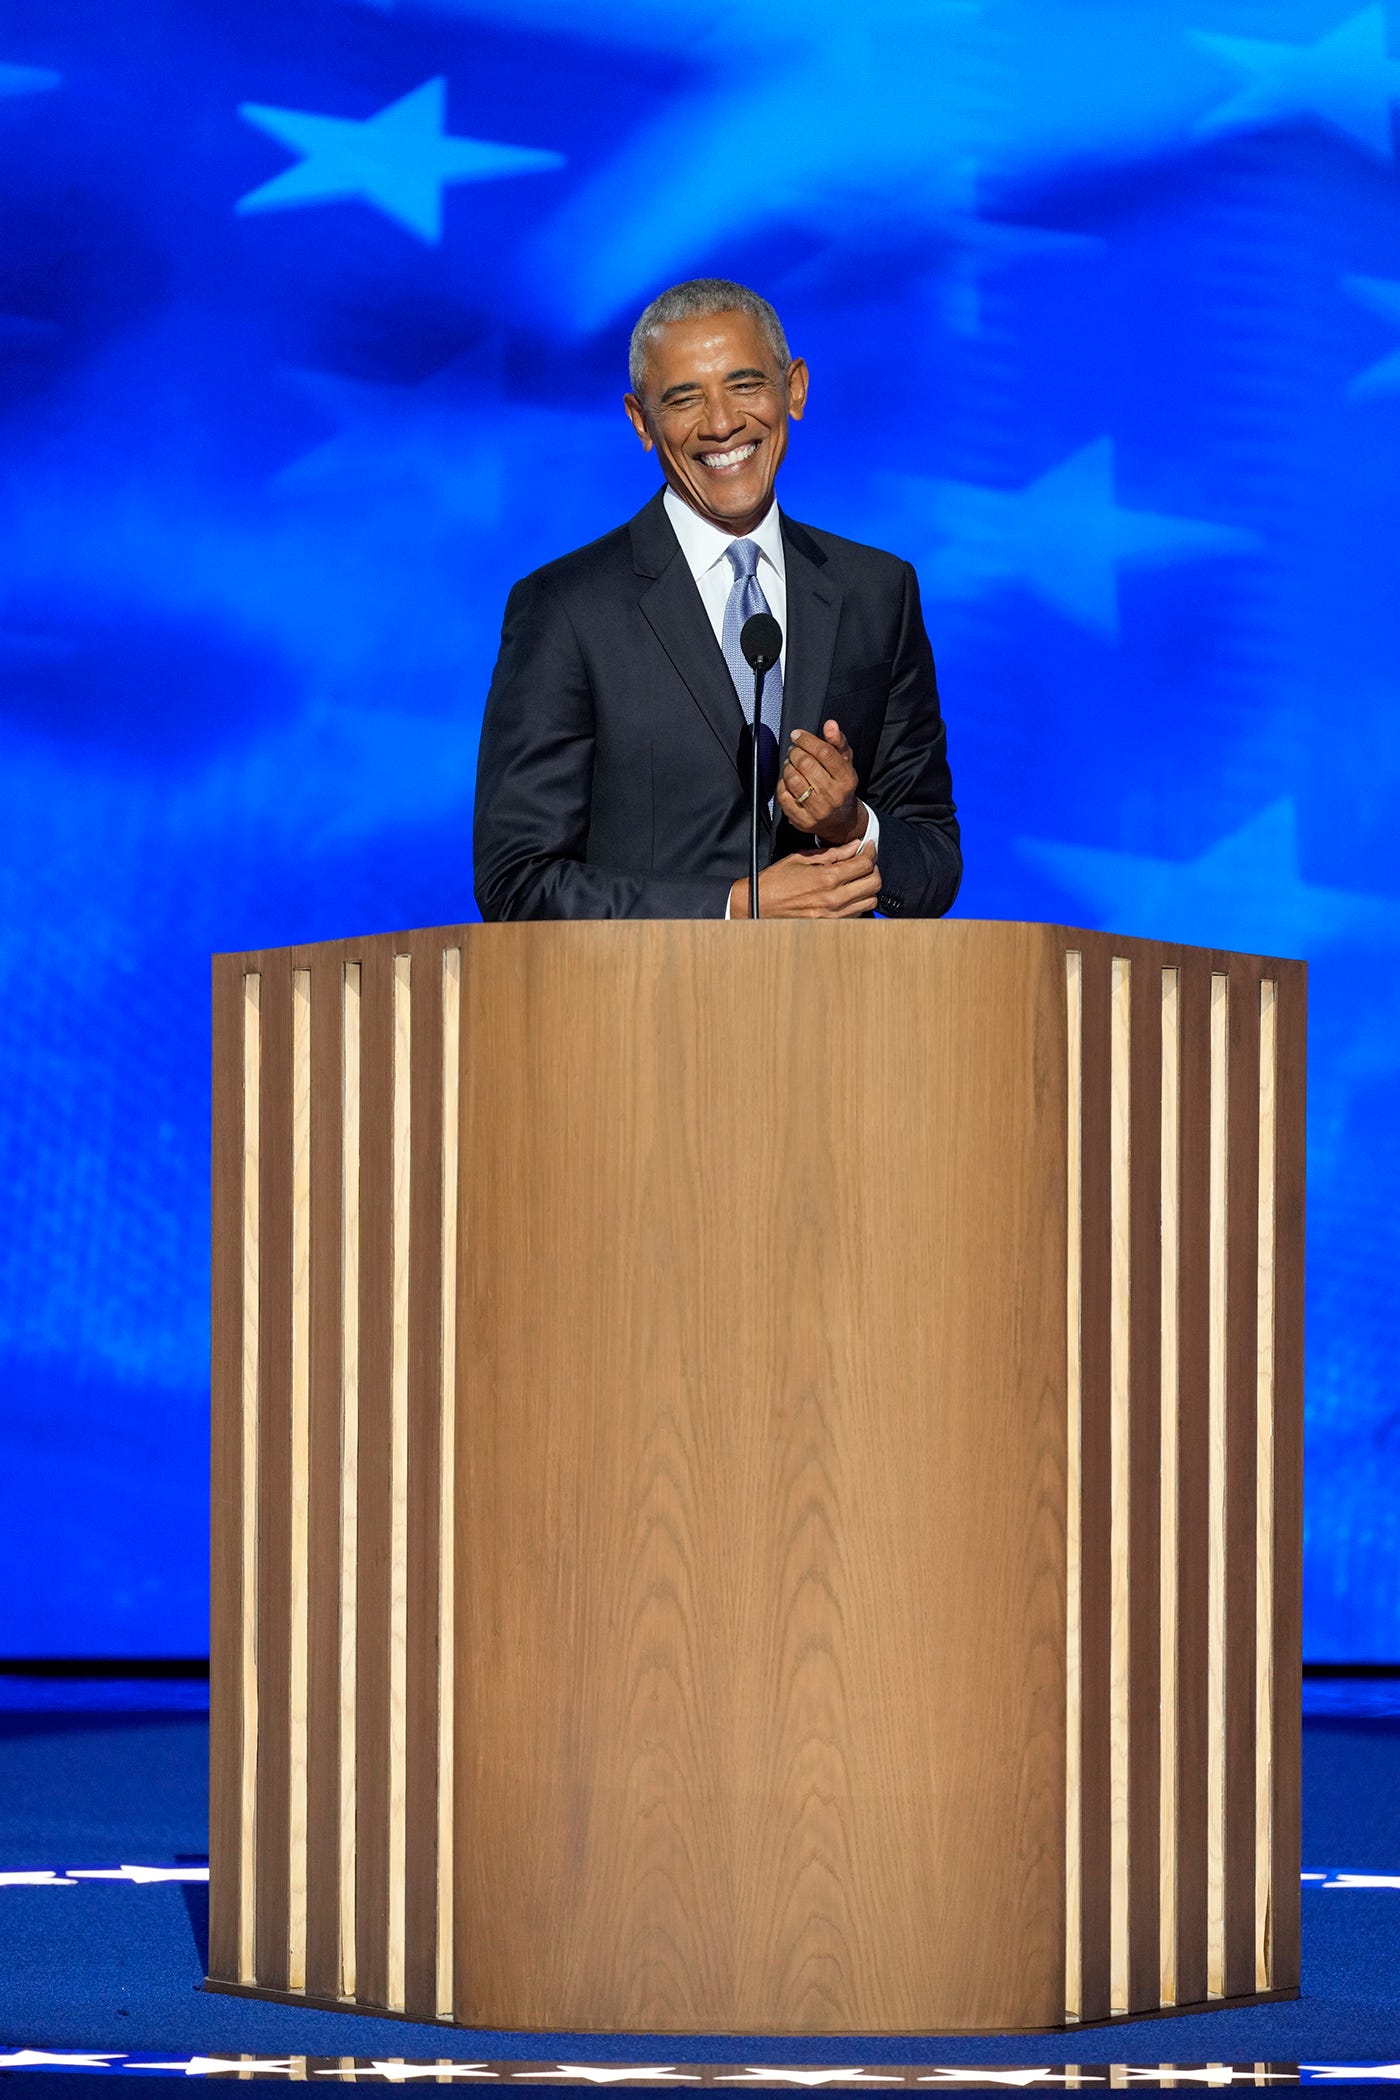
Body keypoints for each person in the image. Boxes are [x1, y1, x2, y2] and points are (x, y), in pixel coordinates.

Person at [473, 278, 960, 921]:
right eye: (684, 399)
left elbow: (933, 865)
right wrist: (735, 909)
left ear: (795, 390)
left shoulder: (877, 592)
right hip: (643, 1015)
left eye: (745, 385)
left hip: (839, 1012)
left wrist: (851, 826)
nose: (723, 423)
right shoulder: (565, 609)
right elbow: (518, 884)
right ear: (642, 422)